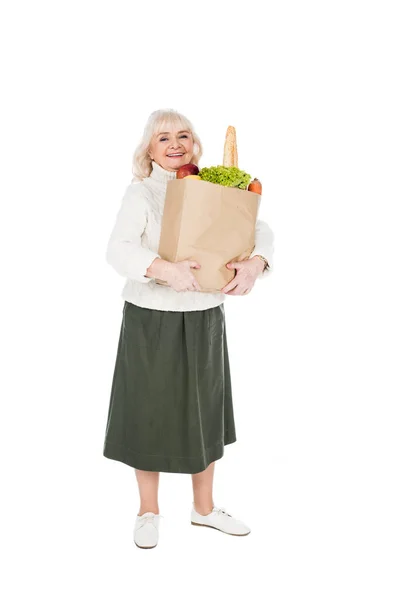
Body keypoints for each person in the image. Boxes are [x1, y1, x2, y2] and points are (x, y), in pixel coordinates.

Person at [103, 108, 275, 549]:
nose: (175, 144)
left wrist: (257, 263)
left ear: (195, 145)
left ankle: (203, 510)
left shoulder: (218, 187)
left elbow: (258, 228)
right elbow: (118, 250)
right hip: (151, 316)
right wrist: (160, 267)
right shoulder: (141, 194)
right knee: (148, 411)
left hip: (204, 316)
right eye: (163, 138)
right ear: (149, 151)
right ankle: (147, 512)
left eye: (183, 135)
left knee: (205, 410)